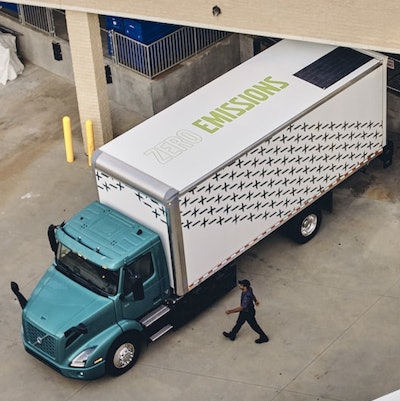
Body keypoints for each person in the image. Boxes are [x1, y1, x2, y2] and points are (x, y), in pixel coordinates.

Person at [223, 279, 269, 344]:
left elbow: (241, 308)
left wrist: (230, 311)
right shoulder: (249, 289)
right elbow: (253, 295)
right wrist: (255, 301)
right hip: (245, 311)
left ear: (244, 287)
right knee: (239, 322)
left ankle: (264, 337)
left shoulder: (247, 297)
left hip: (248, 313)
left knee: (254, 325)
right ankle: (232, 334)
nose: (239, 286)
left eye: (241, 285)